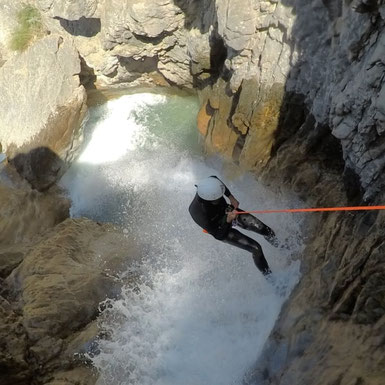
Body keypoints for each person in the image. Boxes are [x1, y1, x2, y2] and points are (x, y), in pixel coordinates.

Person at [188, 176, 278, 276]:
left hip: (227, 211)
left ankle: (283, 248)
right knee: (256, 249)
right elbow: (219, 235)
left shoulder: (209, 183)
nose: (220, 197)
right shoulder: (199, 214)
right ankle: (271, 278)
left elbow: (217, 180)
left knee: (264, 229)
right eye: (218, 198)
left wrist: (231, 197)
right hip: (220, 228)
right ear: (210, 200)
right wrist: (228, 220)